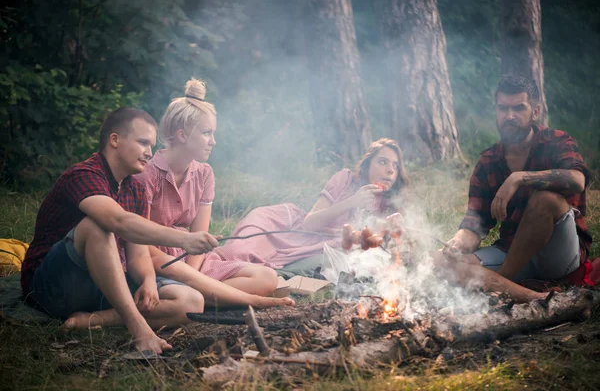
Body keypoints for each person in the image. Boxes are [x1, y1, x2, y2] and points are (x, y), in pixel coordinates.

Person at [21, 107, 220, 354]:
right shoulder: (84, 174)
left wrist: (147, 280)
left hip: (99, 285)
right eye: (143, 143)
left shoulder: (134, 190)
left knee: (191, 301)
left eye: (152, 145)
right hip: (51, 287)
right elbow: (119, 221)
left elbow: (137, 256)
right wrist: (185, 239)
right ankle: (139, 329)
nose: (149, 152)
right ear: (115, 140)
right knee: (97, 225)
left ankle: (94, 320)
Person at [134, 78, 295, 307]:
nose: (213, 142)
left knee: (267, 277)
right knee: (190, 284)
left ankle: (202, 296)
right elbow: (139, 239)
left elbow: (199, 236)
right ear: (182, 136)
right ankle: (218, 298)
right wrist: (186, 275)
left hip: (190, 259)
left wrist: (192, 275)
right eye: (207, 133)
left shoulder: (204, 174)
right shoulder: (148, 173)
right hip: (154, 258)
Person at [434, 74, 593, 302]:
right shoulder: (489, 161)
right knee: (440, 261)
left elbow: (578, 180)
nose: (510, 116)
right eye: (503, 108)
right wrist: (457, 242)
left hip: (557, 255)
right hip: (511, 252)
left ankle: (500, 287)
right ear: (496, 111)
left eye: (519, 108)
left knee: (545, 200)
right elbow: (475, 224)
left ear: (535, 112)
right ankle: (533, 297)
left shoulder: (556, 141)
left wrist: (520, 178)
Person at [196, 137, 410, 289]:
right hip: (291, 230)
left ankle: (213, 289)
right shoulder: (345, 179)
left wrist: (391, 234)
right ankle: (199, 274)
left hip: (322, 252)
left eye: (395, 166)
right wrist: (352, 201)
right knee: (244, 247)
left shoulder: (390, 208)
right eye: (383, 162)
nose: (390, 170)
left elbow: (382, 255)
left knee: (290, 272)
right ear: (366, 166)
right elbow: (310, 223)